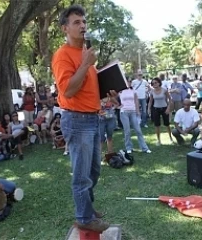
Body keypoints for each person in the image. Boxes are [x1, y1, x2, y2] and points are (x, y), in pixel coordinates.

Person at [52, 4, 116, 232]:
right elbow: (68, 90)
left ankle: (87, 209)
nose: (83, 26)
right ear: (64, 29)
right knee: (81, 176)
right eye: (76, 22)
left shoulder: (85, 54)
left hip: (93, 118)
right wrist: (86, 64)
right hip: (77, 121)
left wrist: (109, 92)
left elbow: (87, 88)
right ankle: (84, 218)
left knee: (94, 172)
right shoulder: (62, 55)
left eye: (84, 21)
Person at [119, 80, 151, 154]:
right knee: (127, 131)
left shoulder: (133, 91)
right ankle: (128, 147)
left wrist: (138, 112)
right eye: (126, 82)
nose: (128, 83)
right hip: (124, 112)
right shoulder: (120, 91)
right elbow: (112, 97)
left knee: (138, 130)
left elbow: (136, 101)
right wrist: (117, 105)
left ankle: (145, 148)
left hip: (133, 111)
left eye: (129, 82)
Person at [148, 77, 174, 146]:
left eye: (155, 82)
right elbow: (150, 101)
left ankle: (171, 138)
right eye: (153, 83)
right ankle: (158, 140)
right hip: (156, 109)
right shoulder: (152, 91)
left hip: (164, 108)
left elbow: (170, 99)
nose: (154, 84)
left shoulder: (164, 90)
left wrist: (168, 108)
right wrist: (149, 109)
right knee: (157, 125)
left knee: (167, 124)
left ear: (159, 83)